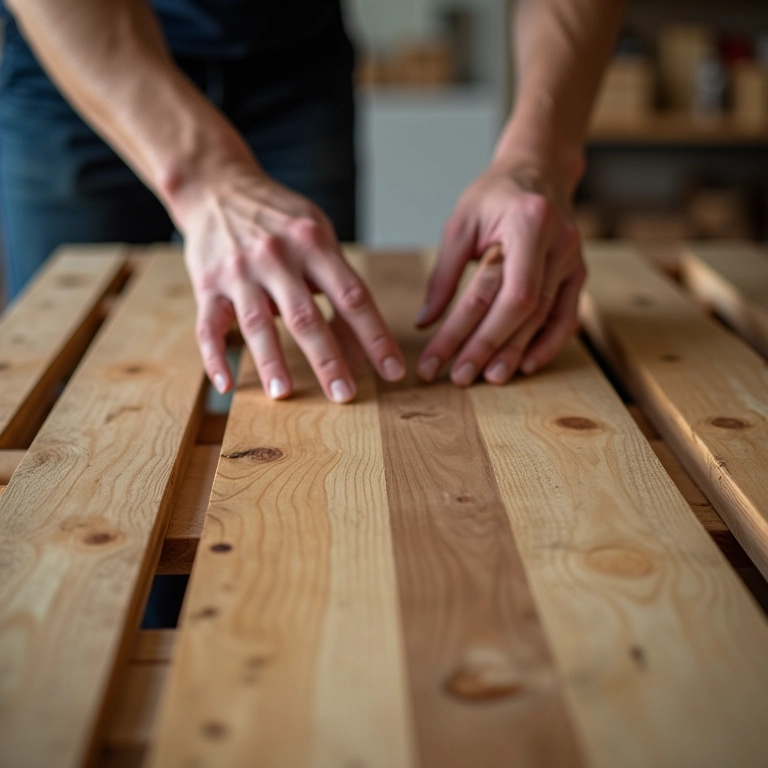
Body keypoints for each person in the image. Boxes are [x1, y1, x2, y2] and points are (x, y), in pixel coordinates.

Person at [0, 0, 624, 402]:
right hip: (80, 49)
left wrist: (541, 158)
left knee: (312, 372)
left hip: (295, 58)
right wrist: (202, 174)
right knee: (71, 394)